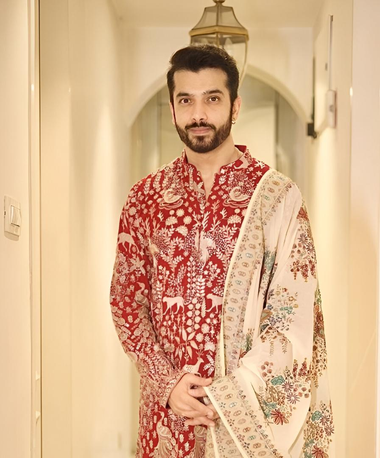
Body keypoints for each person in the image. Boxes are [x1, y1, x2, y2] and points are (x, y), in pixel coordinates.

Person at [110, 45, 334, 458]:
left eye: (212, 98)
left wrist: (231, 396)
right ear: (172, 109)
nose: (199, 114)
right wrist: (167, 384)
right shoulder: (144, 199)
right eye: (186, 100)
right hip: (166, 423)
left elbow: (293, 312)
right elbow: (126, 301)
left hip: (246, 420)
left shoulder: (278, 198)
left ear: (235, 106)